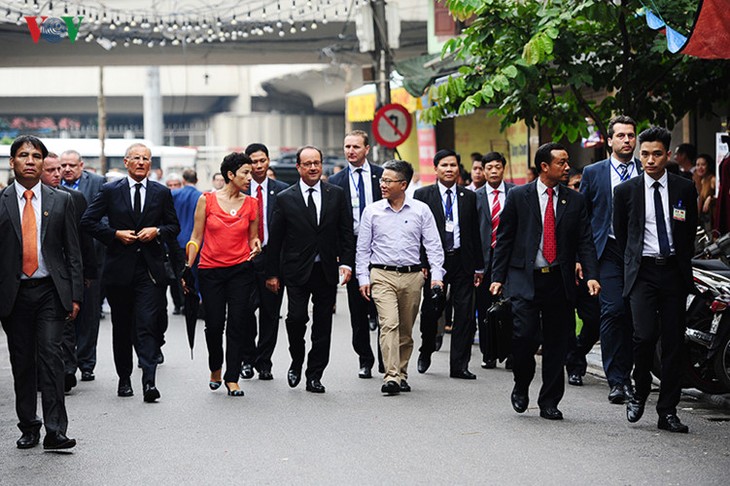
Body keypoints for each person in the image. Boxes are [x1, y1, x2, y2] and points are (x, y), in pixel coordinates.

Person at [490, 142, 599, 420]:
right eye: (561, 163)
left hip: (559, 282)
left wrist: (592, 275)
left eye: (567, 162)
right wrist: (497, 278)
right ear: (544, 167)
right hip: (525, 279)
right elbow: (504, 239)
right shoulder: (519, 196)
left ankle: (550, 400)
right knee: (524, 337)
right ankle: (521, 384)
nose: (567, 167)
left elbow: (585, 240)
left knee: (557, 343)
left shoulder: (574, 200)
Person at [0, 135, 83, 450]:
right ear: (13, 162)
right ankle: (29, 426)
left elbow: (73, 251)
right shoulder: (2, 201)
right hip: (15, 293)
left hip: (50, 290)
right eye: (23, 155)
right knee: (22, 362)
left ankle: (55, 430)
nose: (30, 160)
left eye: (36, 155)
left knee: (51, 357)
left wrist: (75, 295)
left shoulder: (61, 200)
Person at [614, 127, 698, 433]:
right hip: (643, 272)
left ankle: (668, 412)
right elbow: (623, 236)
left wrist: (680, 262)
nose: (650, 160)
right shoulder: (625, 192)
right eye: (645, 154)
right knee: (645, 335)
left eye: (657, 154)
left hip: (673, 272)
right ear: (639, 154)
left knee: (674, 342)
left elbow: (688, 233)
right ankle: (639, 390)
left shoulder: (684, 188)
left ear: (668, 155)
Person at [81, 143, 180, 403]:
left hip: (149, 272)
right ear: (126, 162)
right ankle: (124, 378)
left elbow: (173, 226)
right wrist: (114, 234)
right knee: (122, 327)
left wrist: (156, 231)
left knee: (147, 324)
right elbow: (88, 221)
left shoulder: (161, 192)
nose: (140, 162)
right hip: (118, 270)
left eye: (145, 159)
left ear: (150, 164)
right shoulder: (110, 191)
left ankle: (149, 381)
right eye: (136, 158)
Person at [265, 145, 355, 394]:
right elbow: (276, 240)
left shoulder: (335, 194)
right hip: (295, 270)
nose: (314, 167)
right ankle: (296, 360)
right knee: (295, 318)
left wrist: (346, 263)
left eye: (317, 162)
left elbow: (346, 232)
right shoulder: (285, 198)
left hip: (325, 270)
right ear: (299, 168)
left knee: (323, 324)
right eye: (308, 164)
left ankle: (315, 374)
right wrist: (271, 273)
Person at [356, 159, 444, 394]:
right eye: (381, 179)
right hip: (381, 274)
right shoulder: (372, 211)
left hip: (412, 277)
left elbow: (433, 246)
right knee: (389, 324)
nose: (382, 184)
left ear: (403, 184)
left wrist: (437, 277)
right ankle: (391, 376)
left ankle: (402, 372)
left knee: (405, 329)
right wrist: (363, 278)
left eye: (388, 180)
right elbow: (362, 249)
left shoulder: (421, 210)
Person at [184, 152, 261, 396]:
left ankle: (232, 377)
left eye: (251, 173)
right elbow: (196, 237)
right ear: (230, 175)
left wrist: (257, 244)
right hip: (210, 271)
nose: (250, 177)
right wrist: (188, 266)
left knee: (238, 324)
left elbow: (253, 237)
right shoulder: (206, 200)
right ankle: (215, 367)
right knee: (214, 325)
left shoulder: (251, 203)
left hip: (240, 270)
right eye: (245, 173)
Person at [580, 115, 640, 404]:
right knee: (613, 310)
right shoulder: (594, 173)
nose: (627, 140)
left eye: (631, 135)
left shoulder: (647, 170)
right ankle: (617, 380)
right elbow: (583, 218)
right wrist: (582, 257)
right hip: (608, 251)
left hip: (641, 254)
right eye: (621, 136)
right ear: (610, 141)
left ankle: (632, 375)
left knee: (633, 315)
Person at [415, 149, 484, 378]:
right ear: (435, 169)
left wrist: (478, 266)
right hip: (435, 263)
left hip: (462, 261)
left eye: (453, 165)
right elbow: (418, 234)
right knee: (431, 311)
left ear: (458, 168)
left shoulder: (469, 196)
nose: (449, 169)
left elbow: (474, 233)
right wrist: (422, 261)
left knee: (464, 315)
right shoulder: (423, 195)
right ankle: (426, 350)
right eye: (444, 165)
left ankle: (459, 366)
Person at [328, 130, 384, 379]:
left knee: (385, 309)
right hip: (352, 248)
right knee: (358, 309)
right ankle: (365, 358)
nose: (351, 151)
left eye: (356, 147)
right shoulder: (335, 181)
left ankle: (388, 359)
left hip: (382, 247)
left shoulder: (382, 176)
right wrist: (340, 255)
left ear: (367, 149)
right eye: (347, 146)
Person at [40, 152, 97, 394]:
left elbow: (84, 242)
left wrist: (88, 274)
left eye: (60, 169)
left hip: (65, 273)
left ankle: (67, 370)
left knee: (65, 325)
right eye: (52, 169)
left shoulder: (73, 198)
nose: (59, 173)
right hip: (37, 275)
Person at [241, 143, 289, 381]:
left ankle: (264, 362)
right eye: (254, 162)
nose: (259, 166)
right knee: (245, 310)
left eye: (263, 161)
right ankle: (247, 359)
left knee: (270, 314)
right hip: (245, 258)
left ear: (268, 161)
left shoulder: (282, 191)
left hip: (272, 258)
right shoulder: (240, 190)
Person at [60, 149, 105, 382]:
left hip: (90, 257)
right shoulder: (52, 186)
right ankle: (68, 362)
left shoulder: (97, 184)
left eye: (71, 165)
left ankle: (87, 362)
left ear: (81, 166)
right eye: (63, 165)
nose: (67, 169)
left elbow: (105, 217)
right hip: (63, 263)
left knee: (88, 314)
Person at [475, 152, 515, 369]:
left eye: (497, 167)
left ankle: (510, 352)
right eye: (488, 167)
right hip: (484, 261)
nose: (493, 171)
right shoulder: (475, 196)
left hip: (509, 260)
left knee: (510, 307)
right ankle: (488, 353)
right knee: (484, 308)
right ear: (483, 170)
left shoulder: (515, 193)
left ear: (503, 169)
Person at [563, 167, 601, 387]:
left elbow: (588, 238)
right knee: (566, 322)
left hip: (591, 272)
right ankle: (574, 367)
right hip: (566, 272)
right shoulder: (563, 206)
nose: (578, 190)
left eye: (581, 185)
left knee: (594, 319)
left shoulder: (590, 207)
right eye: (574, 186)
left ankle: (576, 353)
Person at [171, 168, 202, 315]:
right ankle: (196, 301)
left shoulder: (174, 194)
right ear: (196, 180)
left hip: (177, 239)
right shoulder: (201, 196)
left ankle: (182, 303)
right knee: (195, 273)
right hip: (195, 241)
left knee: (179, 273)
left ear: (183, 180)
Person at [693, 153, 716, 235]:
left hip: (711, 219)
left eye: (703, 165)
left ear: (708, 166)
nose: (700, 168)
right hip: (701, 219)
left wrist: (710, 198)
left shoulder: (712, 179)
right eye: (697, 165)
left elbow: (721, 196)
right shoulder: (698, 180)